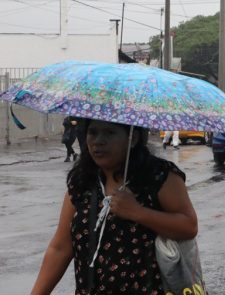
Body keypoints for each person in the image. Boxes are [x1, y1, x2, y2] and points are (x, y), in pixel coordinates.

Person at [31, 119, 198, 294]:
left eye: (110, 133)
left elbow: (189, 226)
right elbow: (60, 248)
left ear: (132, 138)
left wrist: (138, 212)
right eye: (93, 132)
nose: (98, 141)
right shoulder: (82, 182)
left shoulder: (159, 175)